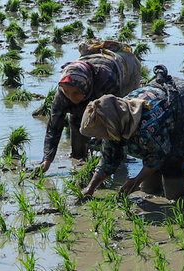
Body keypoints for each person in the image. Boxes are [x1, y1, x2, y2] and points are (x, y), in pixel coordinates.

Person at [78, 75, 184, 202]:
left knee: (172, 163)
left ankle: (180, 201)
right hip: (168, 103)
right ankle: (155, 194)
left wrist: (136, 180)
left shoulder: (147, 126)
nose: (101, 138)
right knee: (149, 184)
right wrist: (90, 188)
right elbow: (108, 159)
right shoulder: (114, 120)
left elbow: (158, 155)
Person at [35, 40, 145, 174]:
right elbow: (54, 127)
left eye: (76, 93)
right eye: (67, 93)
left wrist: (100, 139)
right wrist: (47, 159)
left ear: (85, 86)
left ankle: (118, 158)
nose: (71, 97)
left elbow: (114, 117)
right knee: (76, 118)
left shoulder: (107, 81)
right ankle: (79, 156)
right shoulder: (63, 93)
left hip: (124, 68)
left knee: (120, 118)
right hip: (88, 73)